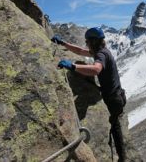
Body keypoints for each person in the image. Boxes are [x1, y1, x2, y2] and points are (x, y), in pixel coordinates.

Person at [51, 27, 127, 162]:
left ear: (94, 41)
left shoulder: (101, 54)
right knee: (115, 126)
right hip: (117, 96)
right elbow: (80, 51)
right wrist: (63, 43)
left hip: (113, 99)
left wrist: (73, 67)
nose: (86, 44)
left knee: (115, 128)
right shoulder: (102, 51)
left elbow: (97, 69)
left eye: (88, 41)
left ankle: (122, 158)